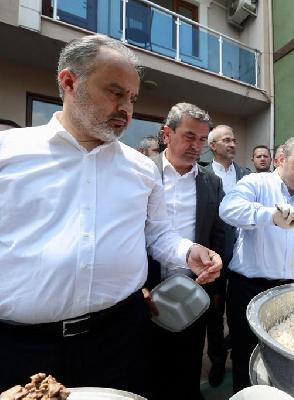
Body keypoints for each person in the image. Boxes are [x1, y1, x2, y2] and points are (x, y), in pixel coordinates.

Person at [0, 34, 222, 397]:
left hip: (119, 338)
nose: (126, 109)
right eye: (115, 92)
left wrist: (187, 252)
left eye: (132, 98)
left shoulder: (141, 169)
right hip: (21, 346)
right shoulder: (9, 153)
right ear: (69, 82)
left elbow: (157, 234)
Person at [219, 136, 294, 393]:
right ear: (280, 160)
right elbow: (228, 209)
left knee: (288, 355)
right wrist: (270, 216)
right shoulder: (256, 182)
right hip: (249, 289)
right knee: (246, 355)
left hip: (291, 290)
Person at [143, 103, 230, 400]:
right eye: (190, 136)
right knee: (148, 367)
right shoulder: (144, 173)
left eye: (203, 139)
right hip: (147, 291)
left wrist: (215, 274)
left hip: (194, 290)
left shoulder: (211, 183)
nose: (197, 146)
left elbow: (220, 235)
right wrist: (136, 286)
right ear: (168, 133)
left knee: (188, 362)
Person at [204, 124, 250, 386]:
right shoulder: (202, 174)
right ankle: (218, 361)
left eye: (234, 140)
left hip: (242, 257)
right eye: (226, 140)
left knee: (237, 310)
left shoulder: (246, 174)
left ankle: (238, 354)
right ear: (212, 146)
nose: (232, 144)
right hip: (213, 255)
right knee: (214, 312)